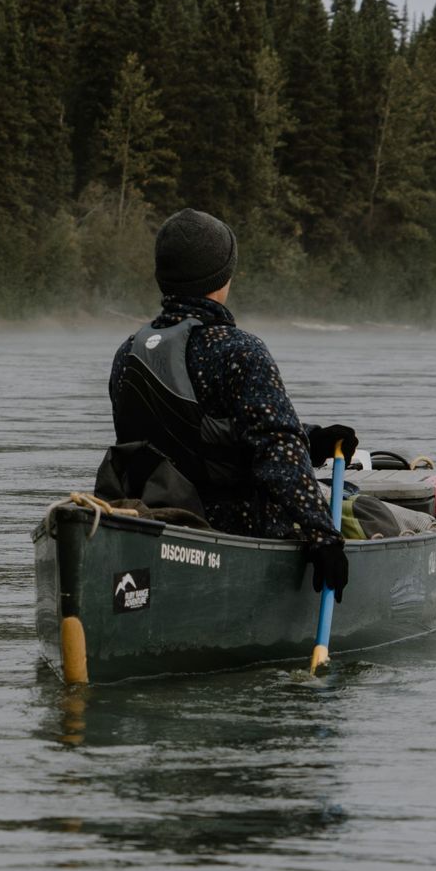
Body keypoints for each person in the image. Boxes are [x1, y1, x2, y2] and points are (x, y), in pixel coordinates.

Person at [108, 208, 355, 598]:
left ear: (163, 277)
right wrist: (323, 536)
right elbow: (276, 448)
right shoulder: (240, 350)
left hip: (156, 522)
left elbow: (193, 431)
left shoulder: (129, 353)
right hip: (234, 531)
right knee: (358, 508)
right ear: (223, 278)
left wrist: (311, 440)